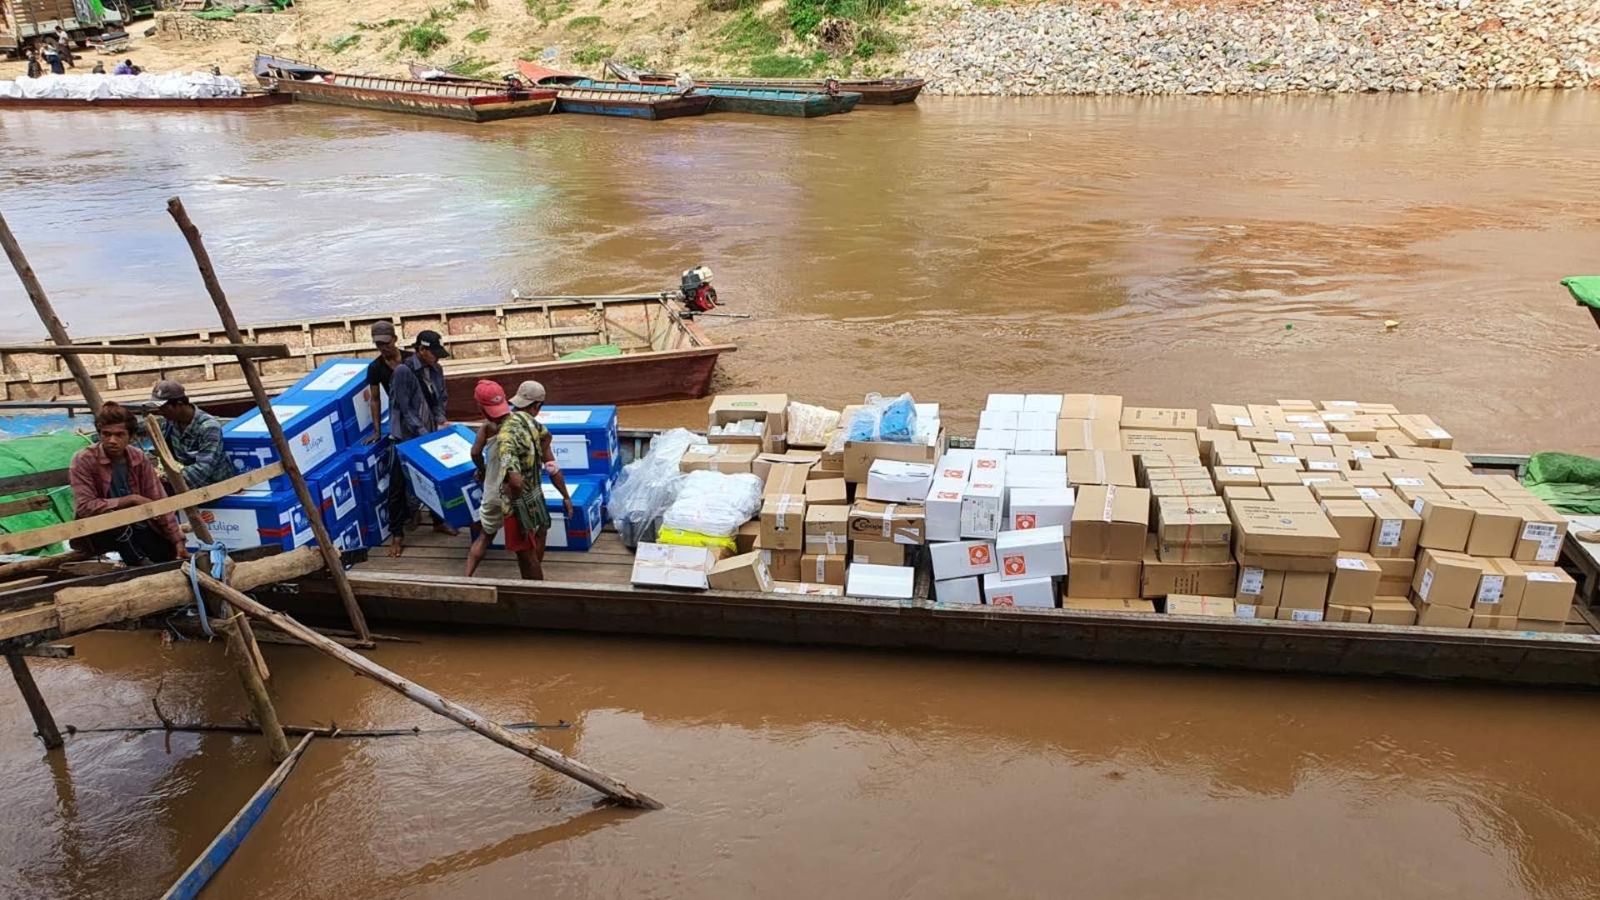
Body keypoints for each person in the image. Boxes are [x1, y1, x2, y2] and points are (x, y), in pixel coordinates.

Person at [464, 380, 570, 580]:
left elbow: (475, 453)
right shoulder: (526, 425)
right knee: (531, 543)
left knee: (486, 536)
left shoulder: (489, 428)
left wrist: (483, 470)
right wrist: (565, 496)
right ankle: (534, 582)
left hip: (496, 493)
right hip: (518, 496)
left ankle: (466, 579)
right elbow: (546, 460)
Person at [68, 402, 187, 566]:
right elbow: (85, 507)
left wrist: (177, 540)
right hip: (100, 530)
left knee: (167, 553)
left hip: (137, 526)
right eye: (106, 434)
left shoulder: (138, 458)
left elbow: (158, 500)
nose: (112, 440)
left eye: (119, 435)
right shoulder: (84, 460)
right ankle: (141, 566)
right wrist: (131, 500)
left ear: (131, 437)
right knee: (119, 526)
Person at [386, 328, 456, 553]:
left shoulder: (436, 369)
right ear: (421, 350)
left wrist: (441, 420)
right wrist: (423, 434)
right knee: (397, 486)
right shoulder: (403, 372)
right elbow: (405, 409)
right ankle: (397, 535)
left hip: (430, 432)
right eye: (434, 353)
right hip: (405, 437)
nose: (437, 357)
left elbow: (440, 399)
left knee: (435, 480)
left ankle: (438, 521)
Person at [148, 380, 237, 490]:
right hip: (183, 480)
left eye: (164, 408)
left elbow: (204, 467)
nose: (160, 412)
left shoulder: (208, 427)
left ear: (179, 404)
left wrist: (168, 479)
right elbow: (159, 452)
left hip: (215, 484)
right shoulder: (169, 423)